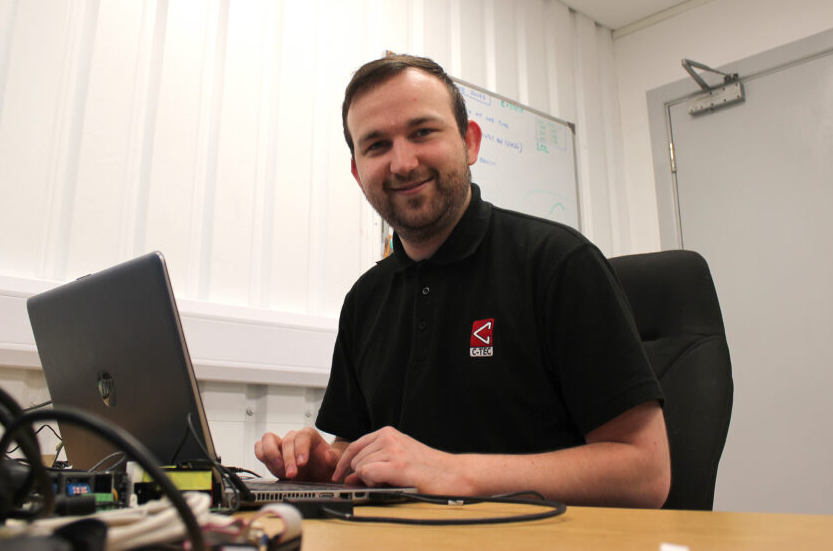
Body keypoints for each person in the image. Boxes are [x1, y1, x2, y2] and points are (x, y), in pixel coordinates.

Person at [255, 55, 670, 507]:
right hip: (400, 536)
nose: (402, 163)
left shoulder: (559, 263)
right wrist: (327, 465)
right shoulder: (365, 300)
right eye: (376, 145)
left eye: (422, 132)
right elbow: (355, 445)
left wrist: (453, 472)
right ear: (357, 171)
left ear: (470, 142)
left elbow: (646, 472)